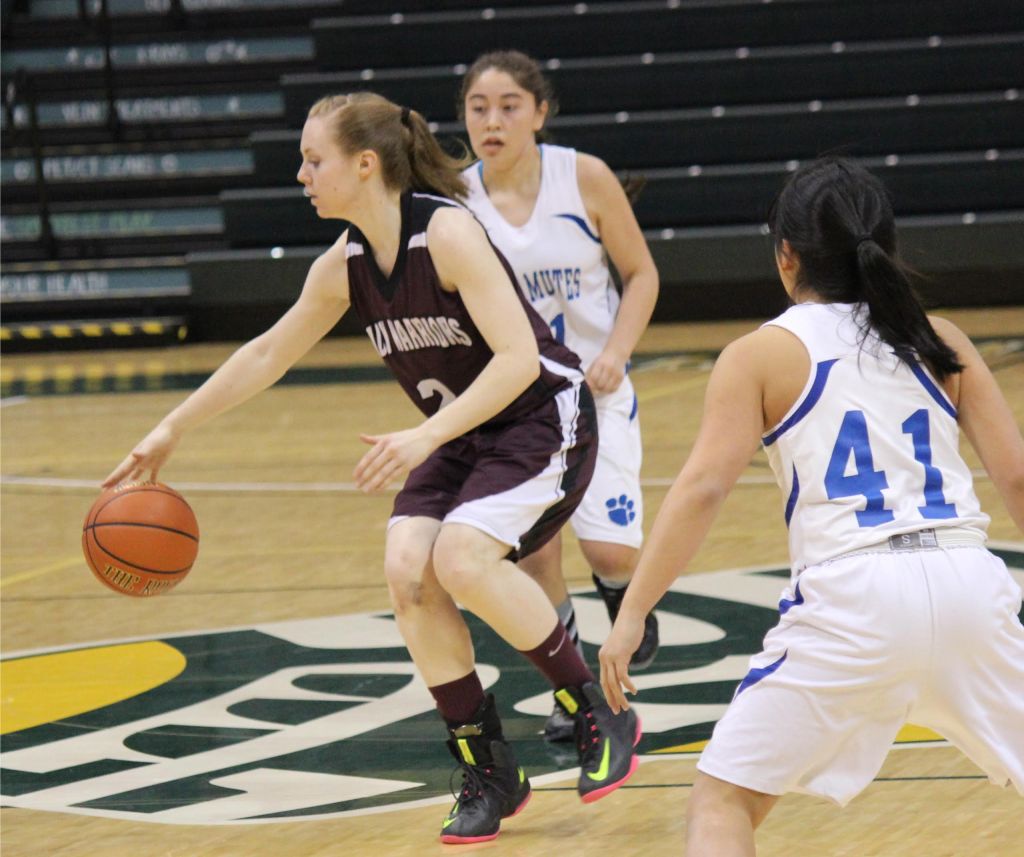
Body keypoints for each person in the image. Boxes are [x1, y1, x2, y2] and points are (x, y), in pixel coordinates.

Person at [103, 91, 641, 845]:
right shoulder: (345, 263)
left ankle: (597, 707)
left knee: (459, 556)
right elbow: (267, 352)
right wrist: (171, 428)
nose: (301, 175)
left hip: (539, 417)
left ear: (364, 164)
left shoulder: (446, 233)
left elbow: (519, 359)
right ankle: (490, 768)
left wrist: (425, 438)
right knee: (408, 572)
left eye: (312, 159)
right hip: (461, 433)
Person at [598, 156, 1024, 855]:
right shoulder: (941, 339)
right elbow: (1018, 478)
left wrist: (632, 610)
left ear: (786, 255)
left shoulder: (761, 352)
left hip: (853, 598)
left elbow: (703, 488)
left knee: (723, 800)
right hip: (968, 583)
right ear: (886, 247)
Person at [458, 50, 662, 741]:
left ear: (540, 113)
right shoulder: (456, 200)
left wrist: (616, 352)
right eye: (478, 107)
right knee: (535, 555)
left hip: (596, 393)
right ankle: (568, 690)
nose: (493, 120)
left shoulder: (585, 176)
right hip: (522, 408)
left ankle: (626, 599)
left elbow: (641, 275)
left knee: (609, 554)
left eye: (510, 105)